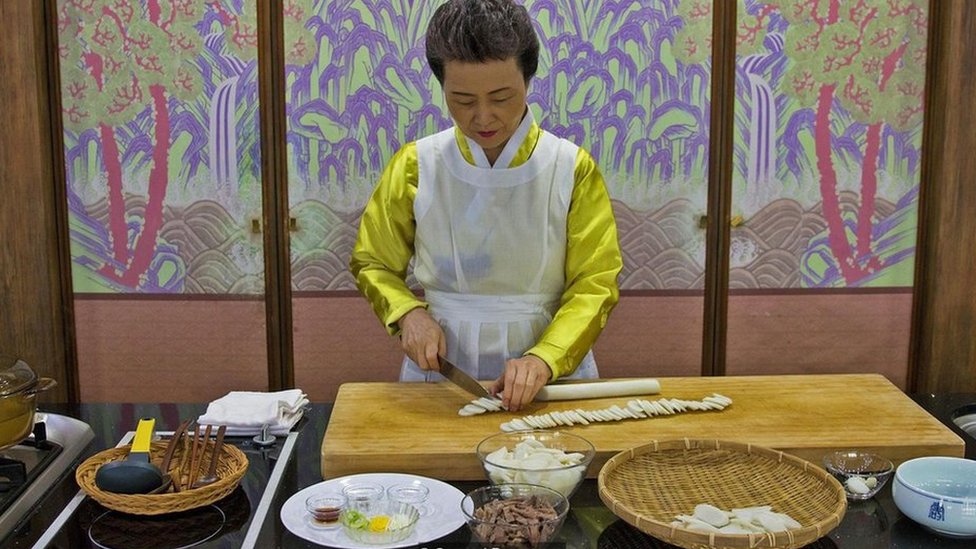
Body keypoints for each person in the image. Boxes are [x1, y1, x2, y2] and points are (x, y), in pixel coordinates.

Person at [349, 0, 622, 411]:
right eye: (462, 100)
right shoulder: (416, 165)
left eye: (501, 97)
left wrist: (544, 358)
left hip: (550, 371)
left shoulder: (570, 167)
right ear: (442, 87)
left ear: (528, 81)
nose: (483, 117)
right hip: (441, 368)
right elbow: (373, 262)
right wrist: (407, 314)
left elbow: (595, 283)